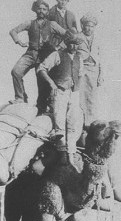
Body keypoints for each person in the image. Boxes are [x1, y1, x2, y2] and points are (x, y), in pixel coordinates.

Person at [9, 0, 69, 114]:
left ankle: (43, 107)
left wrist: (59, 47)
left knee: (43, 82)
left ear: (47, 11)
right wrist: (19, 42)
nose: (41, 11)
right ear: (35, 9)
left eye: (44, 9)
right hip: (31, 53)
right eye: (39, 8)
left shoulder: (52, 24)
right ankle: (20, 97)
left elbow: (68, 35)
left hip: (45, 56)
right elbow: (13, 31)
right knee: (16, 71)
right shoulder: (29, 23)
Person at [37, 33, 84, 169]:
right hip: (60, 91)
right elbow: (41, 68)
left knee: (73, 123)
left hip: (73, 92)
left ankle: (71, 155)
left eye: (76, 44)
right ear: (66, 43)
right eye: (71, 43)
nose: (73, 46)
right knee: (59, 123)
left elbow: (80, 74)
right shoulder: (57, 54)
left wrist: (76, 88)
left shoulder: (79, 58)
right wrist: (52, 83)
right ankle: (62, 155)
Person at [77, 13, 105, 146]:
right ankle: (81, 123)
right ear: (82, 26)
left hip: (94, 70)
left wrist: (101, 75)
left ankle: (90, 123)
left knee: (92, 97)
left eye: (91, 26)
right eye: (86, 26)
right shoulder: (77, 36)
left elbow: (100, 59)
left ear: (94, 27)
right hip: (81, 69)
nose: (89, 28)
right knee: (81, 96)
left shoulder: (98, 40)